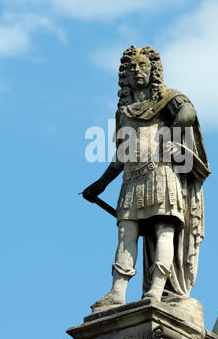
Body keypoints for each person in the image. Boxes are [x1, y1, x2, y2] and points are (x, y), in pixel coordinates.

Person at [82, 46, 209, 313]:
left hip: (162, 172)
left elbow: (188, 113)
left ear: (153, 70)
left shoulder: (168, 98)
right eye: (132, 69)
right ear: (125, 76)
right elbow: (121, 155)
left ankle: (157, 289)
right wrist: (101, 183)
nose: (138, 72)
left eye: (143, 66)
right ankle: (118, 292)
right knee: (125, 233)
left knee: (164, 229)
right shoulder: (124, 113)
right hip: (132, 179)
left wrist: (173, 135)